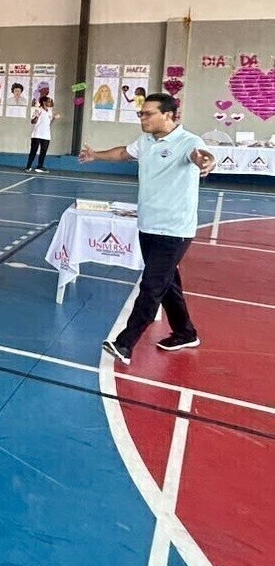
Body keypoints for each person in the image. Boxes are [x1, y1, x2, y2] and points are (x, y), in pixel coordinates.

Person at [80, 93, 215, 365]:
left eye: (148, 113)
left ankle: (125, 343)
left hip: (174, 230)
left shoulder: (189, 142)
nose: (142, 118)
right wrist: (96, 155)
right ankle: (185, 332)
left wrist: (207, 161)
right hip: (149, 225)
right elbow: (122, 153)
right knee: (167, 284)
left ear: (169, 115)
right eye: (141, 114)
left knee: (152, 286)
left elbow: (201, 156)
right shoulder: (146, 141)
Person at [25, 96, 60, 173]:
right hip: (37, 134)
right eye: (48, 101)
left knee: (43, 152)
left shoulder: (49, 112)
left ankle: (40, 166)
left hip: (46, 135)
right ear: (44, 102)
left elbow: (49, 123)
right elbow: (33, 122)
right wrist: (37, 116)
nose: (50, 103)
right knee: (33, 151)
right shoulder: (38, 110)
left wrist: (54, 118)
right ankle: (28, 166)